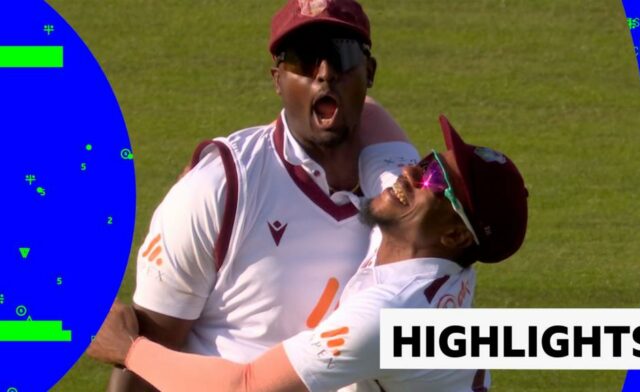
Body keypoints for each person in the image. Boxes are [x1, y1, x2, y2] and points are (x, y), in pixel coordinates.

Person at [89, 115, 529, 392]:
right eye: (431, 160)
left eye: (436, 181)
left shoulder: (390, 317)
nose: (412, 171)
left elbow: (246, 386)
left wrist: (130, 350)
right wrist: (224, 168)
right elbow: (371, 112)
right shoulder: (411, 226)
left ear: (455, 237)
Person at [109, 0, 420, 390]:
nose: (324, 74)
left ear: (369, 72)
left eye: (341, 55)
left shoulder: (408, 199)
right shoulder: (219, 189)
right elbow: (143, 359)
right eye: (305, 60)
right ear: (277, 79)